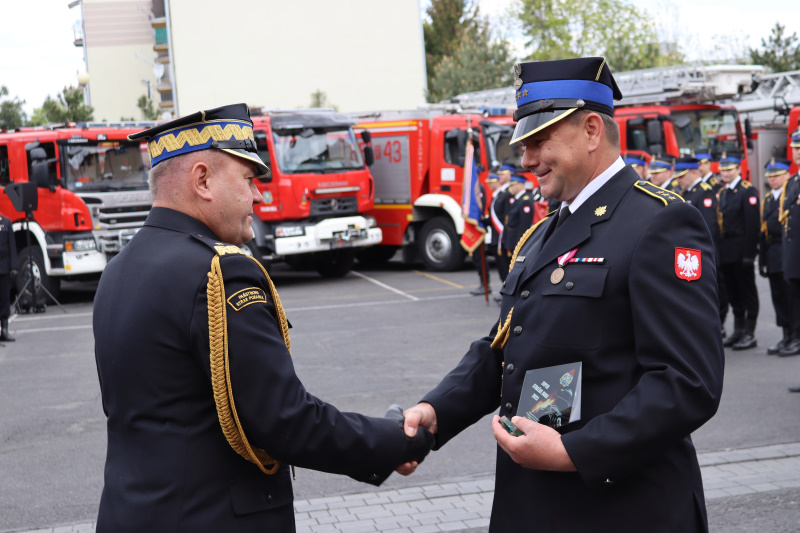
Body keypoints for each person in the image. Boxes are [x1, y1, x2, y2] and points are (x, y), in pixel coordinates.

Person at [399, 57, 724, 532]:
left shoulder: (659, 223)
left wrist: (574, 451)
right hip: (537, 500)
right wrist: (436, 410)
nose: (526, 160)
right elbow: (505, 347)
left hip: (621, 508)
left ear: (591, 131)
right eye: (523, 145)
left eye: (538, 141)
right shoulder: (542, 234)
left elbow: (687, 381)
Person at [92, 104, 433, 532]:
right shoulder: (220, 271)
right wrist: (394, 440)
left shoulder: (117, 270)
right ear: (202, 181)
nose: (259, 196)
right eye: (249, 180)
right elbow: (285, 419)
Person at [717, 152, 760, 350]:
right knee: (733, 292)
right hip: (726, 250)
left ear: (738, 169)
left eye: (729, 170)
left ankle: (750, 332)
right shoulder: (724, 192)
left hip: (741, 248)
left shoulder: (746, 190)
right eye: (723, 170)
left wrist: (749, 254)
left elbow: (752, 225)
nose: (725, 173)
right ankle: (739, 329)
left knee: (747, 291)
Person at [759, 158, 794, 354]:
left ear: (787, 175)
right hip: (772, 254)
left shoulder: (790, 196)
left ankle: (795, 336)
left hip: (786, 252)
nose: (772, 180)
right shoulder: (768, 199)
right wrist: (762, 260)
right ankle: (785, 335)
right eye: (770, 176)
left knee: (791, 298)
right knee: (778, 297)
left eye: (777, 176)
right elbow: (764, 232)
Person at [781, 128, 800, 363]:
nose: (797, 152)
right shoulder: (793, 181)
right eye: (795, 148)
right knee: (794, 301)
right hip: (794, 254)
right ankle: (795, 336)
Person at [500, 175, 535, 258]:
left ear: (520, 184)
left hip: (517, 240)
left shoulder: (525, 201)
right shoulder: (517, 199)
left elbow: (524, 225)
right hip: (512, 238)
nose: (510, 188)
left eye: (512, 185)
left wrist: (520, 243)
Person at [491, 164, 514, 282]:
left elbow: (508, 217)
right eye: (499, 174)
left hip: (504, 237)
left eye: (503, 173)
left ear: (510, 174)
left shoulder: (509, 192)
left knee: (507, 268)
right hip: (497, 235)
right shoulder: (500, 193)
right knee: (502, 268)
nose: (500, 176)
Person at [469, 179, 491, 296]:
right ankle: (483, 284)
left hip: (478, 226)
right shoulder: (470, 187)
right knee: (476, 257)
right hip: (473, 227)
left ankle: (485, 285)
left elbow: (480, 207)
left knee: (480, 257)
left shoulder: (477, 187)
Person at [0, 215, 17, 341]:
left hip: (4, 267)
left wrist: (14, 266)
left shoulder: (6, 222)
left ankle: (4, 330)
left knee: (4, 299)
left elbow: (12, 245)